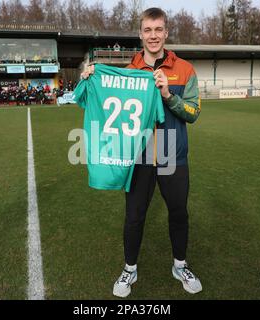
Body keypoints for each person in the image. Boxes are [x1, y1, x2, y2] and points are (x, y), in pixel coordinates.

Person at [81, 7, 202, 298]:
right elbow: (100, 99)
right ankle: (130, 268)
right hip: (139, 156)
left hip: (172, 153)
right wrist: (90, 76)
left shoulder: (185, 69)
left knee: (178, 213)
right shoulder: (129, 72)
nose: (153, 36)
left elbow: (193, 112)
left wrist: (168, 96)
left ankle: (180, 265)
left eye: (158, 29)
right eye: (148, 30)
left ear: (166, 32)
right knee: (134, 216)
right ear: (140, 34)